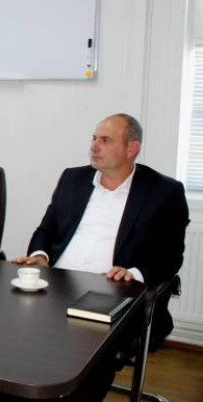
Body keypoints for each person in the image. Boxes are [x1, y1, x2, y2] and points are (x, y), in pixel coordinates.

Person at [12, 113, 190, 347]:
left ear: (131, 148)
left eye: (105, 140)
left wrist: (133, 274)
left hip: (112, 292)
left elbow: (170, 256)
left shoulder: (164, 192)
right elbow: (46, 230)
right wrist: (40, 256)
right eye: (94, 138)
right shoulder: (73, 178)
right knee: (8, 321)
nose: (94, 147)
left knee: (79, 346)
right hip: (57, 285)